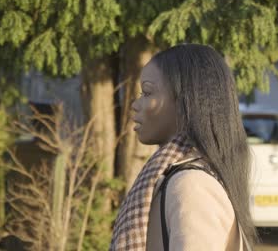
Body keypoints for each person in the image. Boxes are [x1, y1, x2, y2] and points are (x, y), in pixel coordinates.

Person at [109, 44, 257, 250]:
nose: (135, 104)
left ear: (185, 102)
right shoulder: (176, 176)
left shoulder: (191, 185)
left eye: (147, 92)